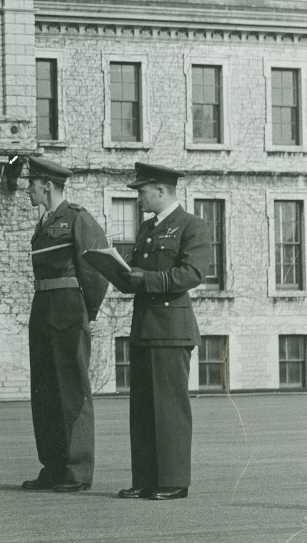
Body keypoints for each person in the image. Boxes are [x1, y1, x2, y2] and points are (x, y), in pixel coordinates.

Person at [119, 162, 211, 501]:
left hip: (172, 329)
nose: (139, 198)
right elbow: (135, 272)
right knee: (142, 408)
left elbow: (192, 274)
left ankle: (172, 481)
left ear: (161, 190)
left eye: (142, 191)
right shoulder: (146, 229)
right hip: (144, 327)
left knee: (169, 408)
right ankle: (145, 479)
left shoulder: (192, 225)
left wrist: (147, 279)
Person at [21, 157, 109, 493]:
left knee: (72, 392)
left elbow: (97, 269)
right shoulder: (44, 222)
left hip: (69, 312)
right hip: (42, 310)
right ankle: (54, 465)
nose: (28, 189)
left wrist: (87, 311)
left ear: (47, 185)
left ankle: (77, 470)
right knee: (44, 392)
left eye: (32, 183)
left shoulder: (76, 218)